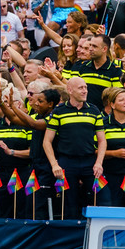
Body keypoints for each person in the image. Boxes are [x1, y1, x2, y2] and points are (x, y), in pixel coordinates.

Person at [42, 76, 106, 218]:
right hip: (67, 162)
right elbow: (47, 141)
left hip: (90, 161)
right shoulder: (59, 111)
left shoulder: (94, 110)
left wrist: (99, 163)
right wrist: (54, 165)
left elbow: (102, 140)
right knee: (68, 203)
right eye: (81, 88)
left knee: (101, 198)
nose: (85, 91)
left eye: (86, 88)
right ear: (70, 90)